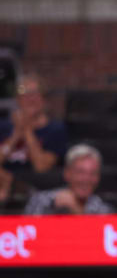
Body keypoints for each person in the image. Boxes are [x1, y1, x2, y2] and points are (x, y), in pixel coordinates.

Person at [0, 73, 67, 203]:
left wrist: (26, 130)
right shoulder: (4, 127)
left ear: (44, 99)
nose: (30, 99)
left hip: (38, 189)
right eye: (24, 94)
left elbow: (41, 167)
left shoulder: (55, 129)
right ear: (17, 100)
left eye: (35, 93)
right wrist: (15, 135)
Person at [24, 143, 112, 215]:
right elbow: (27, 231)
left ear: (98, 178)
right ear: (67, 174)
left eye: (92, 173)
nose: (86, 179)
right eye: (80, 172)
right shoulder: (41, 201)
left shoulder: (103, 210)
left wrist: (77, 211)